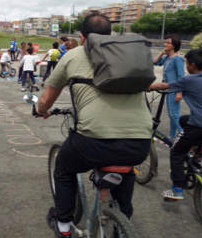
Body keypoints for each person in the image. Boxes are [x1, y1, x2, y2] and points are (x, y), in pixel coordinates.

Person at [37, 14, 152, 238]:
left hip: (92, 142)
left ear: (82, 37)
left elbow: (46, 99)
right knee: (126, 169)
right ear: (110, 35)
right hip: (140, 141)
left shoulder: (73, 54)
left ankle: (63, 225)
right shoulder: (128, 55)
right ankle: (122, 222)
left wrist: (41, 110)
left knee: (63, 168)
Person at [149, 49, 202, 200]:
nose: (186, 66)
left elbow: (162, 86)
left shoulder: (189, 80)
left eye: (187, 63)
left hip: (199, 126)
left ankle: (177, 189)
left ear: (192, 65)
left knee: (176, 152)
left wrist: (146, 86)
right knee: (183, 119)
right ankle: (200, 151)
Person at [154, 34, 185, 140]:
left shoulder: (177, 59)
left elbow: (181, 75)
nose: (165, 44)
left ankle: (183, 137)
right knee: (171, 114)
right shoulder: (167, 58)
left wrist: (179, 92)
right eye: (165, 42)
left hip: (175, 89)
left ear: (174, 45)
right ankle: (172, 136)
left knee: (174, 114)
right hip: (168, 89)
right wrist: (162, 52)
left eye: (168, 42)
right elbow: (155, 62)